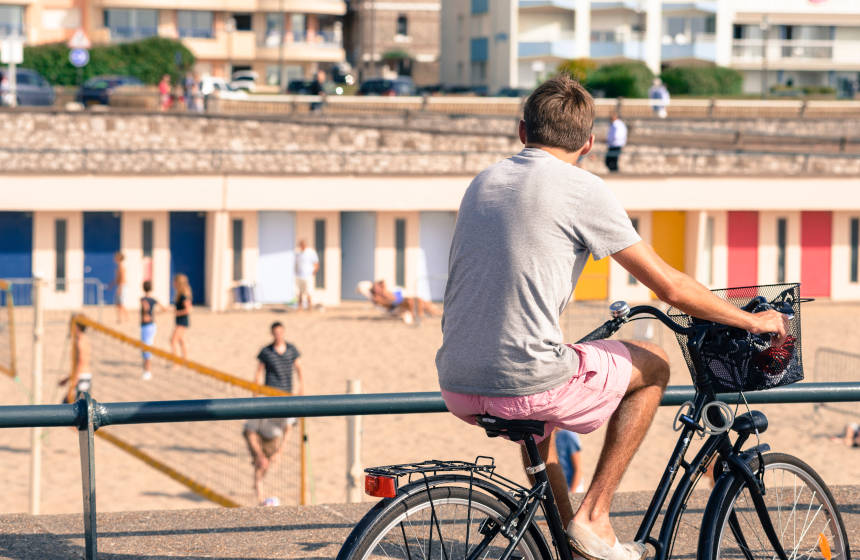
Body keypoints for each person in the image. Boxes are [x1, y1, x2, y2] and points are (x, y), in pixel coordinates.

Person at [435, 73, 788, 560]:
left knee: (541, 423)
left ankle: (569, 546)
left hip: (455, 379)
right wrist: (754, 322)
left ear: (522, 133)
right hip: (525, 378)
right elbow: (669, 286)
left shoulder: (484, 181)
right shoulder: (582, 189)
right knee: (655, 363)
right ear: (589, 142)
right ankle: (595, 517)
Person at [243, 321, 305, 504]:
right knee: (262, 447)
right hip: (270, 395)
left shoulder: (292, 349)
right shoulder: (266, 351)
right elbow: (258, 372)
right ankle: (260, 485)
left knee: (285, 429)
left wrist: (302, 389)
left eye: (280, 332)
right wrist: (255, 393)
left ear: (283, 333)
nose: (278, 335)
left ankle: (274, 456)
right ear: (272, 333)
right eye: (275, 332)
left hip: (286, 395)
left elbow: (299, 369)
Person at [59, 323, 91, 403]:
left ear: (77, 327)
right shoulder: (85, 339)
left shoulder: (80, 342)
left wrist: (74, 381)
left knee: (71, 406)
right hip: (83, 376)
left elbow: (81, 361)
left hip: (81, 378)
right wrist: (67, 378)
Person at [140, 280, 162, 380]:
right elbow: (164, 308)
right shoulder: (153, 299)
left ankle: (147, 372)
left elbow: (146, 308)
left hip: (147, 326)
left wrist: (147, 315)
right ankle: (146, 370)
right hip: (152, 325)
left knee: (146, 349)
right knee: (146, 348)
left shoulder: (143, 299)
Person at [555, 429, 584, 493]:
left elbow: (578, 469)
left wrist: (571, 493)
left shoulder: (568, 435)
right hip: (559, 491)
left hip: (573, 488)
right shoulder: (548, 436)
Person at [171, 274, 191, 360]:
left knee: (173, 341)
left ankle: (176, 362)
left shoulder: (184, 296)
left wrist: (177, 313)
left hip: (182, 321)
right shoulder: (179, 294)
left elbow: (188, 310)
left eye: (174, 282)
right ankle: (185, 359)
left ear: (178, 283)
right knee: (180, 340)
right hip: (180, 321)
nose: (173, 284)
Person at [295, 239, 320, 311]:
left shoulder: (311, 252)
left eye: (302, 245)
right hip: (300, 276)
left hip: (308, 276)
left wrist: (313, 272)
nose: (301, 246)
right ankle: (299, 307)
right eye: (300, 245)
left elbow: (316, 263)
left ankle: (310, 307)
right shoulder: (298, 253)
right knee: (300, 292)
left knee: (308, 291)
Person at [110, 252, 128, 323]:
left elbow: (122, 279)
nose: (114, 259)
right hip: (119, 286)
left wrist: (120, 288)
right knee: (118, 304)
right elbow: (117, 278)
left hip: (121, 286)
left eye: (115, 257)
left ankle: (125, 317)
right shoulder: (119, 267)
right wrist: (112, 284)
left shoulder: (121, 267)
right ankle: (120, 318)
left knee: (121, 303)